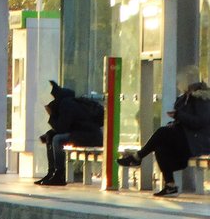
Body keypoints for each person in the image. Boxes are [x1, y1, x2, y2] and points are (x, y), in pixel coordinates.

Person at [118, 68, 210, 197]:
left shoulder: (202, 98)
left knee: (162, 133)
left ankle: (137, 157)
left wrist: (178, 115)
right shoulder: (185, 97)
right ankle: (170, 186)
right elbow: (183, 119)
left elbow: (200, 122)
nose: (178, 84)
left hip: (198, 141)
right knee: (160, 147)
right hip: (187, 139)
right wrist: (177, 117)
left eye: (180, 81)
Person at [35, 80, 102, 187]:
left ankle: (59, 174)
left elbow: (62, 128)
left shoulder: (66, 104)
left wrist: (51, 115)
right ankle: (51, 172)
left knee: (57, 139)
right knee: (50, 135)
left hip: (89, 136)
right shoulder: (65, 101)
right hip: (84, 134)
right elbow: (65, 126)